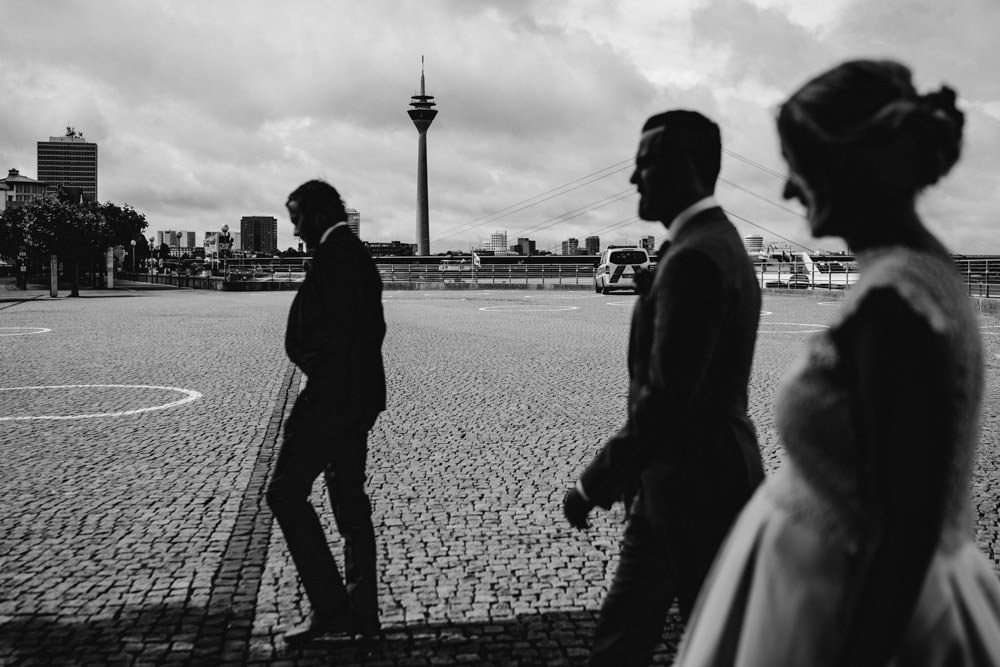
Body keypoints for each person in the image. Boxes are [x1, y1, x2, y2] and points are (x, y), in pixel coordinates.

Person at [674, 59, 1000, 666]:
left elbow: (905, 533)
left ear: (856, 163)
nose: (788, 188)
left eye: (801, 163)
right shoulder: (926, 273)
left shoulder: (894, 305)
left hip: (828, 603)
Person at [563, 110, 765, 666]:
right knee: (639, 640)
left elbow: (667, 403)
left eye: (646, 163)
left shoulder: (694, 258)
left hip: (693, 488)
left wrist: (592, 483)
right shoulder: (719, 243)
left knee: (649, 645)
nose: (634, 178)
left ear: (689, 169)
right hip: (692, 483)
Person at [265, 179, 386, 644]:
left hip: (333, 399)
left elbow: (343, 334)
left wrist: (317, 373)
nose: (294, 230)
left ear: (316, 214)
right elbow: (368, 330)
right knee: (348, 501)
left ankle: (335, 607)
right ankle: (359, 613)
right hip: (353, 397)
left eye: (296, 218)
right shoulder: (348, 251)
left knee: (284, 491)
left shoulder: (338, 256)